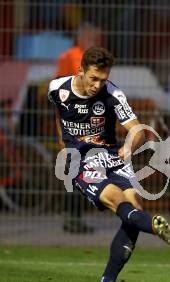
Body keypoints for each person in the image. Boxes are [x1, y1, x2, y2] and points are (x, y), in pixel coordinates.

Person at [48, 46, 170, 282]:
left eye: (103, 79)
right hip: (81, 161)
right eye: (93, 78)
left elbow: (137, 129)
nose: (98, 85)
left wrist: (129, 146)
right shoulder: (57, 89)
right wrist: (63, 143)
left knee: (133, 211)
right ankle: (155, 226)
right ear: (81, 71)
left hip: (113, 157)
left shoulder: (113, 94)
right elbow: (58, 111)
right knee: (117, 200)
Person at [55, 23, 102, 233]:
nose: (95, 42)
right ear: (81, 38)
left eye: (96, 39)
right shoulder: (72, 57)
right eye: (92, 38)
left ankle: (74, 217)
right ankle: (71, 218)